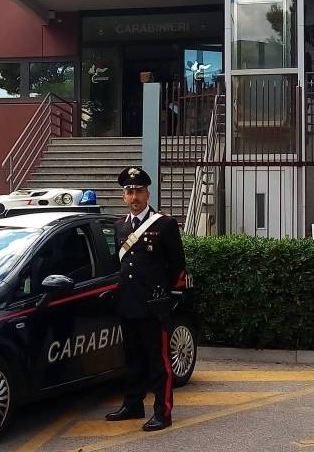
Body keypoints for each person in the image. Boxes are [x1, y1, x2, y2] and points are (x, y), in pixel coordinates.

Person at [104, 166, 186, 432]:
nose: (134, 196)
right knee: (132, 358)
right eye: (129, 191)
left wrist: (171, 299)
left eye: (139, 191)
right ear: (123, 197)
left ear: (148, 193)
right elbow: (122, 267)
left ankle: (163, 412)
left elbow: (177, 265)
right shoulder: (120, 226)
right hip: (128, 304)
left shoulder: (164, 224)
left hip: (153, 306)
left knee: (157, 362)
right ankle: (133, 404)